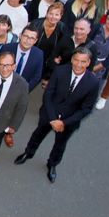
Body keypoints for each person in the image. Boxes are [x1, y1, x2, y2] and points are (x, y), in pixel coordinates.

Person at [14, 47, 98, 183]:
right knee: (37, 135)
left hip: (69, 120)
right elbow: (48, 94)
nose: (78, 64)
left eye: (83, 62)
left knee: (60, 144)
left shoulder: (93, 82)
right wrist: (53, 118)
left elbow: (86, 109)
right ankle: (28, 153)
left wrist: (63, 123)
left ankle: (52, 164)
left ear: (88, 63)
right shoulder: (60, 71)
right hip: (49, 113)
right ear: (71, 59)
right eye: (76, 60)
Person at [0, 24, 44, 92]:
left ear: (35, 41)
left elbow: (36, 77)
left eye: (32, 38)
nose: (28, 40)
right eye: (26, 36)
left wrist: (24, 91)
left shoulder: (38, 54)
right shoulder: (7, 48)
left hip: (21, 90)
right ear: (20, 35)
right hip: (2, 84)